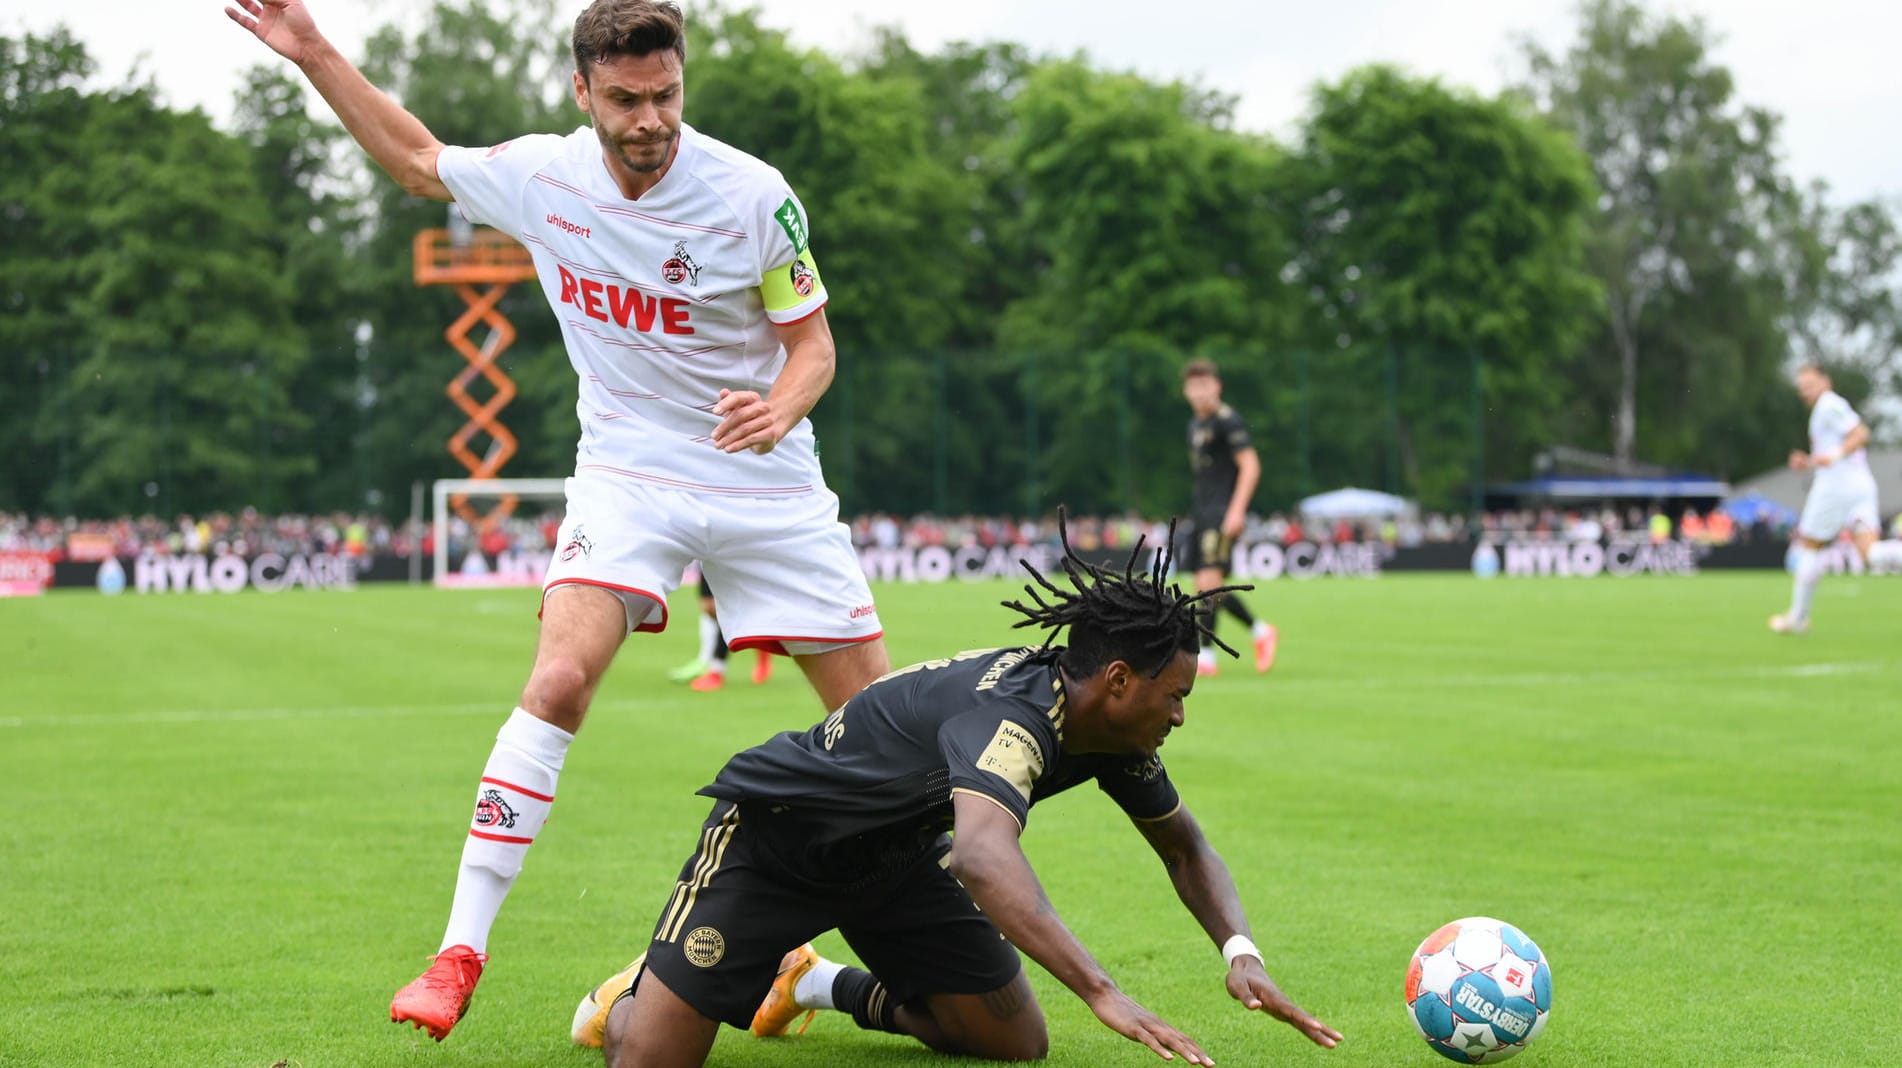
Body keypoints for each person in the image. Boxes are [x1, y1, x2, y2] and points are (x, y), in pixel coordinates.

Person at [224, 0, 892, 1040]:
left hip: (767, 484)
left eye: (665, 94)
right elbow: (415, 160)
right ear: (583, 94)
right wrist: (313, 51)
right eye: (625, 100)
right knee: (560, 676)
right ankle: (458, 951)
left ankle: (813, 970)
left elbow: (814, 344)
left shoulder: (755, 195)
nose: (649, 119)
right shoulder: (546, 178)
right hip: (626, 473)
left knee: (884, 740)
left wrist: (784, 405)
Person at [568, 519, 1342, 1067]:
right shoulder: (1012, 718)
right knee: (649, 1059)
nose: (1179, 713)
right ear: (1117, 680)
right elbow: (979, 855)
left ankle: (809, 980)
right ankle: (639, 989)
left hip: (895, 857)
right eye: (1174, 695)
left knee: (1011, 1041)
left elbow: (1184, 845)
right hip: (781, 842)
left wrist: (1240, 953)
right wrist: (1104, 993)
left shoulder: (1112, 734)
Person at [1772, 365, 1895, 632]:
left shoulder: (1829, 404)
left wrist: (1836, 456)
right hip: (1859, 484)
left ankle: (1798, 618)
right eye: (1801, 387)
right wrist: (1809, 461)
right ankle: (1798, 618)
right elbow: (1833, 453)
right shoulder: (1823, 411)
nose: (1805, 391)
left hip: (1836, 488)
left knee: (1810, 545)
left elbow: (1861, 433)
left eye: (1810, 384)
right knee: (1871, 554)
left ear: (1825, 381)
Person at [1179, 360, 1277, 676]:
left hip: (1222, 512)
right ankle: (1260, 632)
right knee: (1206, 586)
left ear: (1217, 387)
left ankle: (1206, 656)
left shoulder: (1228, 421)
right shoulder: (1194, 425)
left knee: (1208, 583)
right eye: (1194, 387)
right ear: (1186, 391)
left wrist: (1236, 510)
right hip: (1202, 512)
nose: (1199, 392)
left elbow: (1251, 465)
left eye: (1205, 385)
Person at [669, 571, 775, 691]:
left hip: (735, 556)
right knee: (709, 607)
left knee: (727, 608)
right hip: (708, 555)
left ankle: (717, 669)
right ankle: (707, 660)